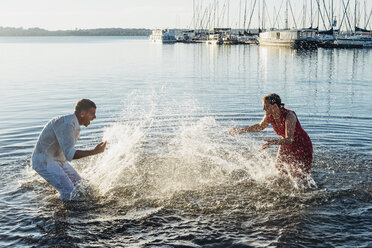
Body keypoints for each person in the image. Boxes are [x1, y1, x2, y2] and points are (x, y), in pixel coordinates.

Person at [31, 99, 107, 200]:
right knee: (69, 192)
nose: (94, 117)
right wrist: (94, 151)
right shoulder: (66, 125)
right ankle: (63, 212)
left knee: (81, 185)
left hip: (59, 160)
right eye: (92, 114)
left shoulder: (72, 123)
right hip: (44, 162)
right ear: (82, 114)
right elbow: (70, 154)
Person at [229, 93, 313, 178]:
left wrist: (273, 142)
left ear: (275, 106)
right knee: (279, 169)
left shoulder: (289, 116)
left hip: (302, 145)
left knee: (301, 175)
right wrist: (241, 131)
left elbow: (289, 139)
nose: (263, 109)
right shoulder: (270, 116)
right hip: (285, 143)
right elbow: (260, 126)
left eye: (266, 106)